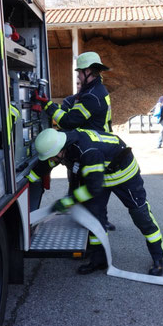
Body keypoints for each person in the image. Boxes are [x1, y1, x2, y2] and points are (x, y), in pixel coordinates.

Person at [32, 128, 163, 276]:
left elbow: (93, 187)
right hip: (100, 176)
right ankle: (99, 259)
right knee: (94, 216)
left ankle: (158, 258)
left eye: (53, 157)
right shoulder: (63, 142)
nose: (53, 161)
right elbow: (47, 164)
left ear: (59, 150)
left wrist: (69, 200)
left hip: (124, 174)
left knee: (140, 214)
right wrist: (28, 179)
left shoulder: (88, 152)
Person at [32, 51, 115, 231]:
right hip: (94, 142)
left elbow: (70, 121)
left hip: (91, 146)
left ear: (90, 72)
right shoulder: (91, 91)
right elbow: (74, 106)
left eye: (80, 72)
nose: (77, 75)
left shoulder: (93, 96)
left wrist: (48, 106)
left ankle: (96, 223)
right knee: (81, 182)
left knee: (91, 187)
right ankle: (93, 218)